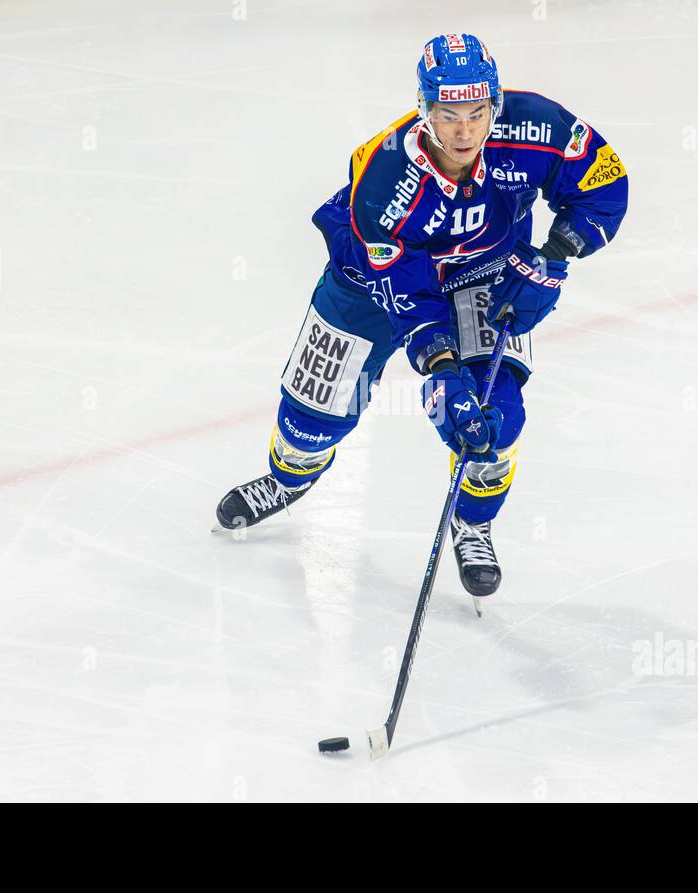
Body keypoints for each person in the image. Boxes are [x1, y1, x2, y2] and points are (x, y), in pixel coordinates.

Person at [214, 32, 629, 598]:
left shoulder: (540, 127)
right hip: (369, 282)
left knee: (495, 419)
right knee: (309, 419)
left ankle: (473, 521)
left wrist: (553, 257)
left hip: (485, 274)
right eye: (449, 114)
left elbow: (603, 186)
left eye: (478, 113)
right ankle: (289, 478)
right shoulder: (385, 175)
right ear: (424, 108)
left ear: (495, 105)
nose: (465, 131)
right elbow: (404, 291)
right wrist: (440, 368)